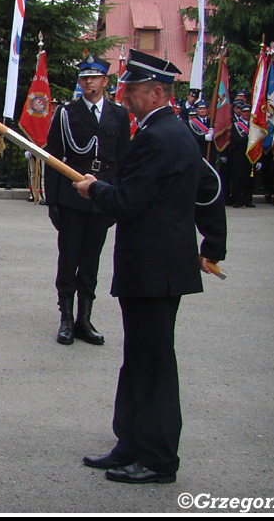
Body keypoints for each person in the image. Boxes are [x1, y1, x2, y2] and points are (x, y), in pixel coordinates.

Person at [73, 49, 227, 484]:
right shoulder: (175, 133)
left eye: (134, 92)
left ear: (157, 92)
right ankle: (131, 443)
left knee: (154, 363)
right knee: (139, 359)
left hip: (153, 271)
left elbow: (126, 201)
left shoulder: (158, 137)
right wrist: (215, 243)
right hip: (157, 269)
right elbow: (208, 192)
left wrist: (94, 189)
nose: (125, 98)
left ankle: (158, 458)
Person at [44, 54, 131, 346]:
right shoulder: (67, 113)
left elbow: (123, 160)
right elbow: (53, 157)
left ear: (105, 81)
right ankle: (66, 319)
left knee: (91, 260)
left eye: (94, 78)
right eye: (84, 78)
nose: (88, 82)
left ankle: (85, 318)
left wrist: (119, 199)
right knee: (69, 258)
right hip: (72, 197)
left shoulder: (119, 115)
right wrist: (53, 199)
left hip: (103, 196)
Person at [227, 102, 255, 208]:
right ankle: (237, 200)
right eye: (244, 112)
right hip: (239, 155)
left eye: (248, 112)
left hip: (251, 155)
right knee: (237, 179)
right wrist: (247, 140)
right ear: (241, 113)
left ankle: (248, 200)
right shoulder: (236, 125)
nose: (246, 114)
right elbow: (235, 140)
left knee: (249, 179)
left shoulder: (253, 125)